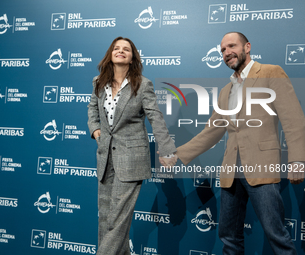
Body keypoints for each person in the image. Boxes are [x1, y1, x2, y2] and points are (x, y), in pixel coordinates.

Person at [176, 32, 305, 254]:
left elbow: (293, 120)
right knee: (229, 238)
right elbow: (212, 131)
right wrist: (177, 154)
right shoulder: (227, 90)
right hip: (230, 172)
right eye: (223, 50)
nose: (227, 53)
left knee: (277, 236)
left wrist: (298, 161)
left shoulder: (270, 73)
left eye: (231, 46)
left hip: (262, 165)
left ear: (247, 47)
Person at [87, 37, 177, 255]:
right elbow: (92, 109)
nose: (120, 51)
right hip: (105, 157)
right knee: (106, 216)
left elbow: (155, 117)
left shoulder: (142, 84)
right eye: (116, 48)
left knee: (118, 219)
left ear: (132, 57)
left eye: (126, 49)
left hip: (131, 159)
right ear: (110, 54)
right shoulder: (98, 82)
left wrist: (166, 149)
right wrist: (95, 129)